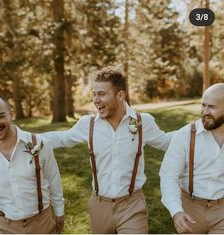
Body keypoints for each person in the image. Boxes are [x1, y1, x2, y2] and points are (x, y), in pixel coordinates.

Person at [42, 66, 173, 234]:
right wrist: (26, 138)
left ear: (120, 95)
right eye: (94, 94)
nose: (96, 99)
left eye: (102, 94)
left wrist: (197, 130)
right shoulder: (88, 124)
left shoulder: (142, 123)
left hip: (132, 205)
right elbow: (62, 138)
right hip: (99, 205)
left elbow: (166, 141)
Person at [0, 92, 65, 234]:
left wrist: (59, 212)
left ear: (10, 115)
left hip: (41, 224)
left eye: (0, 116)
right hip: (3, 227)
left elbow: (53, 179)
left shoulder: (40, 144)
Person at [159, 83, 224, 234]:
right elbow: (168, 175)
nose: (205, 112)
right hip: (190, 210)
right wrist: (176, 211)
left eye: (212, 107)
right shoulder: (185, 135)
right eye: (203, 105)